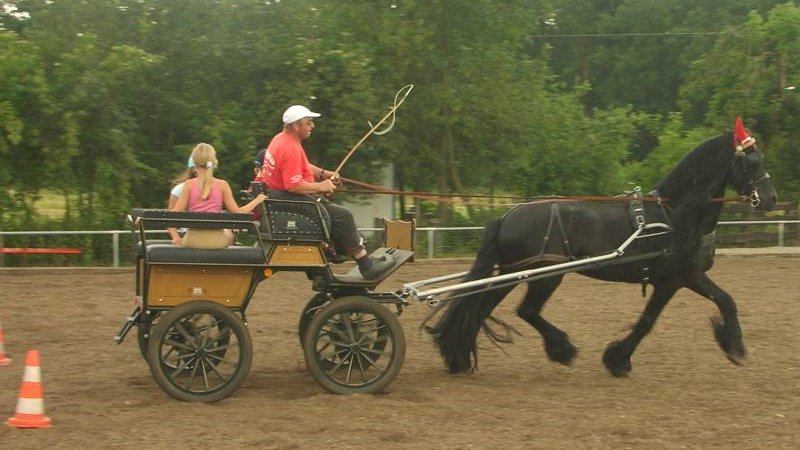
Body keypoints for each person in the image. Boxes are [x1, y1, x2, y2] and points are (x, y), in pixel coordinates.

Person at [259, 105, 394, 279]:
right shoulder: (290, 148)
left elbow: (301, 166)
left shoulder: (281, 139)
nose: (312, 126)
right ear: (296, 125)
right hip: (289, 200)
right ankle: (364, 265)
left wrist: (324, 174)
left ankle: (341, 252)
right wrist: (321, 186)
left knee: (334, 212)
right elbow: (293, 186)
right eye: (309, 123)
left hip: (280, 199)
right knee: (342, 216)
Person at [172, 143, 267, 249]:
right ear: (214, 162)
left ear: (194, 162)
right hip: (216, 241)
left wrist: (175, 237)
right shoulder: (222, 185)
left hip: (192, 240)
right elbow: (239, 213)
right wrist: (258, 200)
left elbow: (174, 214)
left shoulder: (188, 185)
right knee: (229, 235)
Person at [167, 156, 197, 244]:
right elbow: (170, 217)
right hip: (189, 233)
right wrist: (176, 237)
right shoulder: (180, 189)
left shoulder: (215, 188)